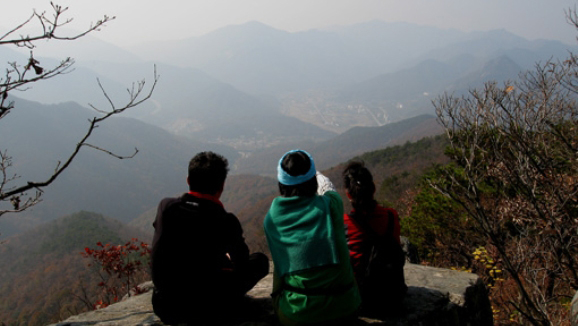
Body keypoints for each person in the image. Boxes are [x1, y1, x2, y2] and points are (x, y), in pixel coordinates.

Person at [151, 151, 269, 325]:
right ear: (221, 186)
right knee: (260, 260)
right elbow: (242, 264)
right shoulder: (226, 221)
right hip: (211, 307)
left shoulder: (166, 207)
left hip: (166, 307)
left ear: (188, 180)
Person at [264, 149, 361, 326]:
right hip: (345, 308)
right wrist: (313, 173)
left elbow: (281, 267)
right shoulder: (332, 206)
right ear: (312, 181)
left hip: (298, 315)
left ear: (281, 184)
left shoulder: (272, 219)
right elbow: (328, 188)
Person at [342, 161, 407, 316]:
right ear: (374, 189)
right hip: (393, 296)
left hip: (362, 299)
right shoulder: (391, 216)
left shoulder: (343, 224)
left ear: (348, 194)